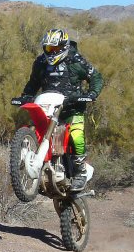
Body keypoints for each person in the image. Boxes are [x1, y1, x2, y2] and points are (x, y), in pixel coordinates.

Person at [12, 27, 103, 190]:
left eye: (55, 48)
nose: (52, 52)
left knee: (76, 135)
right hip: (47, 105)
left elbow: (95, 76)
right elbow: (33, 83)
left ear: (64, 47)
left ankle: (80, 171)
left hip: (72, 107)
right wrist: (25, 95)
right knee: (36, 130)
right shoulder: (40, 62)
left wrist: (92, 93)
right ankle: (33, 165)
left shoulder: (75, 60)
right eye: (48, 48)